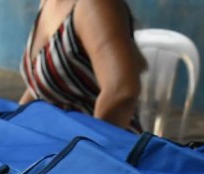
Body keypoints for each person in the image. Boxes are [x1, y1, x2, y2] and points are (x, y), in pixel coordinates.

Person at [20, 0, 145, 131]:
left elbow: (121, 92)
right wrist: (14, 123)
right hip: (63, 138)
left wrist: (90, 142)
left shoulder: (94, 4)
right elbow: (39, 85)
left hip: (105, 141)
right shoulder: (48, 2)